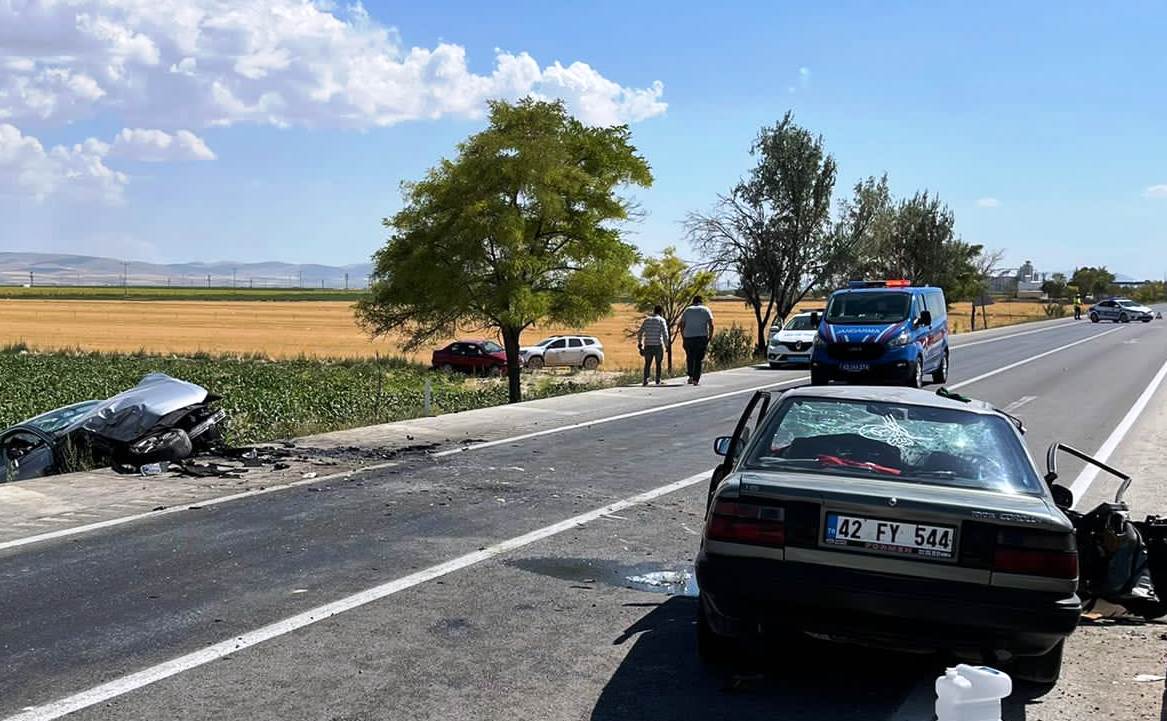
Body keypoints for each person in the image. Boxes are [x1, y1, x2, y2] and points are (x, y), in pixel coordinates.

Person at [680, 295, 714, 385]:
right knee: (699, 359)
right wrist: (710, 336)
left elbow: (682, 324)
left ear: (693, 301)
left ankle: (690, 376)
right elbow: (711, 324)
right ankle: (696, 379)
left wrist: (683, 336)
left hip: (688, 337)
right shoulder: (706, 309)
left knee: (690, 357)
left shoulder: (687, 310)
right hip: (701, 337)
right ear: (701, 301)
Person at [637, 305, 669, 386]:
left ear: (654, 311)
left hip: (647, 345)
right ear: (661, 312)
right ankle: (658, 379)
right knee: (658, 363)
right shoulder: (661, 320)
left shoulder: (647, 320)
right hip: (658, 345)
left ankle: (645, 379)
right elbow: (665, 334)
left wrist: (640, 344)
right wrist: (667, 345)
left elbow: (640, 333)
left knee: (647, 363)